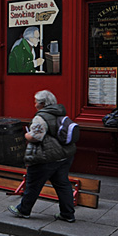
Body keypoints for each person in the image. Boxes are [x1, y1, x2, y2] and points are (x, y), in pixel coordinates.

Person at [7, 90, 79, 222]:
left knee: (33, 184)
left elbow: (36, 136)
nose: (34, 105)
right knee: (63, 185)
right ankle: (67, 214)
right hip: (64, 155)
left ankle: (23, 210)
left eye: (36, 102)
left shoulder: (41, 117)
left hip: (47, 157)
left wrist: (26, 135)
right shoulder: (60, 112)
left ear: (42, 104)